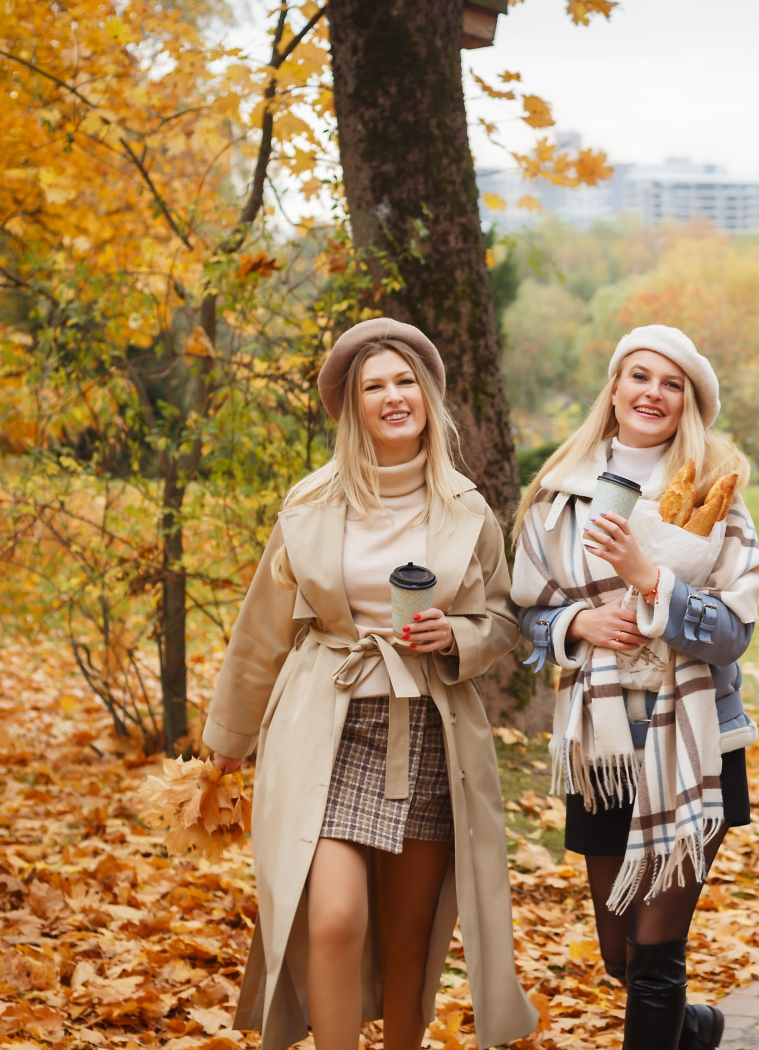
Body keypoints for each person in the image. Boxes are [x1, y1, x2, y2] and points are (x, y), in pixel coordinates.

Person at [202, 319, 536, 1050]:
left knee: (409, 938)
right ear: (352, 407)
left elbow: (504, 618)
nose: (392, 397)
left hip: (427, 731)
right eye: (373, 386)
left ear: (428, 395)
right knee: (333, 919)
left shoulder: (466, 508)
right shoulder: (312, 502)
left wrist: (460, 637)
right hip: (328, 723)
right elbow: (262, 631)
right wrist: (226, 743)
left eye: (404, 381)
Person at [511, 324, 759, 1050]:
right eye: (640, 377)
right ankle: (694, 1030)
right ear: (615, 390)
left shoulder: (720, 502)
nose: (653, 393)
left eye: (671, 383)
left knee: (657, 952)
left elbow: (732, 633)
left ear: (688, 402)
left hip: (695, 742)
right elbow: (525, 611)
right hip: (603, 747)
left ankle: (672, 1018)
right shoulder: (558, 494)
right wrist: (576, 624)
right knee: (621, 953)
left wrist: (651, 580)